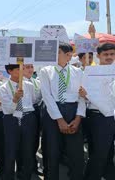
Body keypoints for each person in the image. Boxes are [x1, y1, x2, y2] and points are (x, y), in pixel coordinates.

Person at [39, 42, 85, 180]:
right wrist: (59, 120)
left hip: (73, 110)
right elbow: (47, 96)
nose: (54, 55)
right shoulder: (46, 70)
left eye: (58, 52)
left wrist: (78, 118)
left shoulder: (78, 72)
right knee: (52, 151)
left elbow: (82, 96)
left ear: (68, 55)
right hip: (53, 111)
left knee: (76, 152)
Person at [80, 43, 115, 180]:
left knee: (109, 152)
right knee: (98, 153)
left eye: (112, 54)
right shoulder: (90, 72)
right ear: (98, 56)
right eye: (105, 54)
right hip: (98, 118)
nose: (109, 57)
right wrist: (85, 95)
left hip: (111, 116)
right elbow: (85, 96)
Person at [0, 64, 37, 180]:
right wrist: (15, 99)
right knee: (11, 150)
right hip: (11, 119)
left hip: (28, 118)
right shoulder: (3, 87)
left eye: (22, 69)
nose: (21, 72)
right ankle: (9, 176)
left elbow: (33, 100)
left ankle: (25, 175)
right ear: (9, 71)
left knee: (27, 150)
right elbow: (8, 109)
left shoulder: (29, 85)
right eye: (18, 69)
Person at [23, 64, 43, 176]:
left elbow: (39, 97)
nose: (30, 69)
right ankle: (25, 166)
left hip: (36, 110)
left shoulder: (37, 81)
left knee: (35, 140)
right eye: (27, 67)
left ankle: (32, 165)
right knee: (26, 141)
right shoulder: (19, 82)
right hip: (24, 112)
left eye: (31, 67)